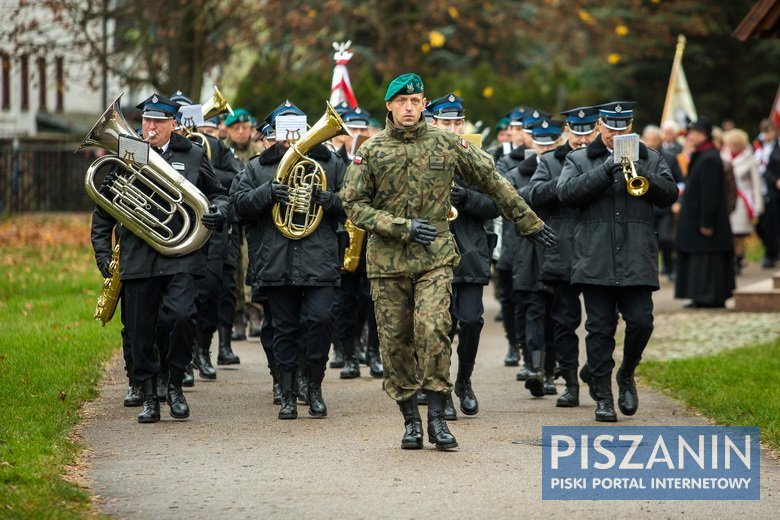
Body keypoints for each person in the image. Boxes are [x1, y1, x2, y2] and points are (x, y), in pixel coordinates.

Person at [340, 73, 556, 450]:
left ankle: (438, 417)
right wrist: (400, 227)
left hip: (435, 258)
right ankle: (410, 420)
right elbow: (353, 204)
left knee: (434, 329)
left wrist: (529, 223)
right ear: (390, 106)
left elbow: (493, 181)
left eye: (416, 101)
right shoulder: (371, 150)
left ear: (424, 104)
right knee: (395, 343)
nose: (409, 108)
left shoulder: (446, 142)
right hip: (387, 261)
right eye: (402, 102)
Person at [91, 93, 228, 423]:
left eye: (158, 122)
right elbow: (102, 210)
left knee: (181, 318)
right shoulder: (128, 153)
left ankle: (175, 384)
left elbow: (218, 193)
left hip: (181, 254)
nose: (150, 127)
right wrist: (103, 253)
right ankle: (151, 394)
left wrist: (220, 211)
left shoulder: (193, 154)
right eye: (146, 121)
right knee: (141, 330)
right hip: (138, 258)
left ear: (173, 124)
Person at [557, 101, 678, 422]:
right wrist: (605, 169)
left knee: (641, 322)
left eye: (622, 127)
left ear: (631, 126)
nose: (615, 133)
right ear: (600, 125)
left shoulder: (650, 156)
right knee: (599, 329)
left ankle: (626, 372)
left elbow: (669, 194)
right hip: (594, 258)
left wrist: (643, 173)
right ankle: (604, 395)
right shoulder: (579, 158)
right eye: (610, 127)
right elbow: (566, 194)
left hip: (637, 256)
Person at [231, 100, 346, 420]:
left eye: (297, 126)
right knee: (284, 328)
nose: (292, 134)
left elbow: (354, 203)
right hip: (278, 261)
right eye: (285, 127)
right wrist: (267, 193)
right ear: (276, 131)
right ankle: (288, 392)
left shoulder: (331, 163)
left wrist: (331, 201)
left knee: (320, 322)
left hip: (319, 260)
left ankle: (314, 385)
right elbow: (237, 207)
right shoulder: (257, 168)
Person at [428, 93, 500, 418]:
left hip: (469, 253)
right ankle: (440, 392)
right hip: (432, 254)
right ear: (433, 123)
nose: (453, 127)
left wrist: (468, 197)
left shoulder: (479, 158)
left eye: (458, 121)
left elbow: (496, 204)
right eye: (447, 122)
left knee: (470, 321)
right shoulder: (419, 156)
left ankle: (464, 382)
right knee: (438, 327)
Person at [526, 106, 600, 407]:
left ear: (596, 130)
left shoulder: (606, 159)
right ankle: (569, 382)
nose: (582, 140)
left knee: (600, 321)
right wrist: (569, 183)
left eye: (587, 133)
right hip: (562, 249)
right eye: (576, 132)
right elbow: (532, 195)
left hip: (598, 250)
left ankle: (593, 370)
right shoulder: (548, 161)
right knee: (565, 322)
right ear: (567, 131)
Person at [506, 118, 565, 398]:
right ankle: (535, 367)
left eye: (551, 143)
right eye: (540, 143)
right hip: (528, 247)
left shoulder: (567, 165)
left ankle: (553, 369)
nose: (545, 149)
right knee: (533, 308)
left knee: (557, 312)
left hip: (558, 244)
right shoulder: (521, 171)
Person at [674, 119, 736, 308]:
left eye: (693, 133)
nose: (690, 136)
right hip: (695, 218)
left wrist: (706, 222)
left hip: (706, 220)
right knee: (699, 259)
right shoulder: (700, 155)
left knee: (708, 260)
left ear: (704, 134)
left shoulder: (709, 157)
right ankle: (700, 295)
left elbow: (710, 193)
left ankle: (709, 296)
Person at [642, 124, 684, 279]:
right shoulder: (637, 158)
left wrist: (678, 201)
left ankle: (670, 267)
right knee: (648, 242)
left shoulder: (669, 157)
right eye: (648, 139)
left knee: (666, 239)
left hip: (664, 207)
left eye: (654, 139)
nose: (651, 142)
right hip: (646, 207)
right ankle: (652, 270)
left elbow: (679, 181)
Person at [721, 129, 764, 274]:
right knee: (729, 232)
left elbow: (755, 183)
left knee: (739, 232)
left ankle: (738, 260)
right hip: (727, 198)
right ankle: (731, 258)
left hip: (743, 199)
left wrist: (758, 204)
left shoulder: (749, 158)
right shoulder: (723, 155)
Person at [754, 119, 778, 269]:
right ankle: (771, 251)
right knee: (762, 225)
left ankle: (772, 254)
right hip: (761, 191)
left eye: (768, 131)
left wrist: (774, 179)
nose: (766, 135)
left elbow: (769, 171)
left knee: (774, 223)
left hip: (774, 191)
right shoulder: (759, 149)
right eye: (763, 131)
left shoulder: (777, 148)